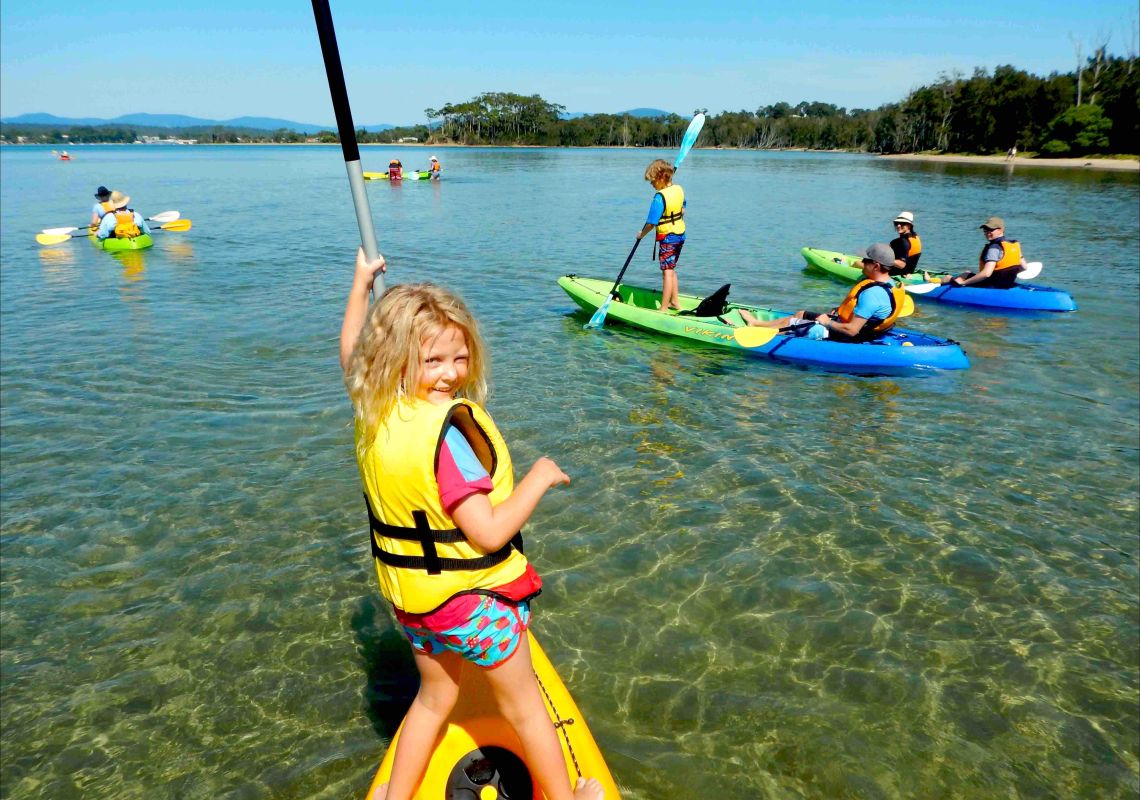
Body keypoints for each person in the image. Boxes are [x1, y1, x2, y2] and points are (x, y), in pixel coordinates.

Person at [339, 250, 604, 800]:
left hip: (414, 603)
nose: (451, 374)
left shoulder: (375, 408)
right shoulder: (449, 440)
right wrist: (538, 478)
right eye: (433, 361)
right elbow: (486, 533)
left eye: (459, 359)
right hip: (471, 603)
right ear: (395, 358)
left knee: (434, 699)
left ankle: (395, 795)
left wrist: (361, 285)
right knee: (527, 708)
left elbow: (350, 352)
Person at [738, 243, 905, 342]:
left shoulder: (873, 293)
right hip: (859, 328)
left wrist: (827, 322)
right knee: (801, 314)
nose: (861, 263)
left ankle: (762, 333)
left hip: (847, 336)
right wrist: (838, 313)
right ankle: (757, 323)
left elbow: (852, 330)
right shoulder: (891, 284)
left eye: (865, 261)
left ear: (875, 266)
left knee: (793, 324)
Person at [635, 158, 686, 312]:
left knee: (667, 272)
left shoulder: (659, 197)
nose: (651, 185)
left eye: (653, 181)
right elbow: (683, 210)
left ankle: (663, 308)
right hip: (680, 235)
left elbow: (651, 223)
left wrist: (641, 235)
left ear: (662, 177)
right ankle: (675, 302)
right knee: (672, 269)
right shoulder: (679, 189)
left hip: (668, 237)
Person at [928, 216, 1026, 289]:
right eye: (985, 230)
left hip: (992, 285)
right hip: (1007, 284)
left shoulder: (994, 248)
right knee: (967, 273)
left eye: (990, 230)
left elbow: (986, 274)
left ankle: (933, 282)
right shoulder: (1014, 245)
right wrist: (1007, 275)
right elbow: (1024, 267)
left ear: (1000, 230)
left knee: (957, 277)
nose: (987, 233)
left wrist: (964, 283)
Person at [888, 211, 922, 275]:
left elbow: (901, 264)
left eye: (902, 223)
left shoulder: (903, 242)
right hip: (909, 272)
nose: (898, 225)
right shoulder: (915, 237)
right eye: (896, 223)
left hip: (896, 273)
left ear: (909, 225)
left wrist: (881, 259)